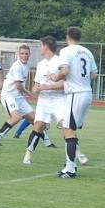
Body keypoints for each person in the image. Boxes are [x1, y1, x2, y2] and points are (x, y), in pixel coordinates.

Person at [23, 36, 88, 164]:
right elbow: (36, 84)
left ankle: (78, 154)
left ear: (46, 46)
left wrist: (48, 87)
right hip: (44, 102)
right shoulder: (40, 64)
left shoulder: (60, 61)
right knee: (38, 126)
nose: (40, 48)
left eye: (41, 45)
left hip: (59, 100)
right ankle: (28, 154)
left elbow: (65, 83)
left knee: (67, 127)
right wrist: (35, 89)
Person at [51, 27, 97, 178]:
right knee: (69, 128)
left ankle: (70, 169)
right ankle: (69, 165)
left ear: (67, 37)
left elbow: (64, 71)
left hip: (75, 94)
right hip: (87, 93)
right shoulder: (87, 52)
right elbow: (94, 74)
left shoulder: (66, 51)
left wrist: (55, 77)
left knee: (69, 130)